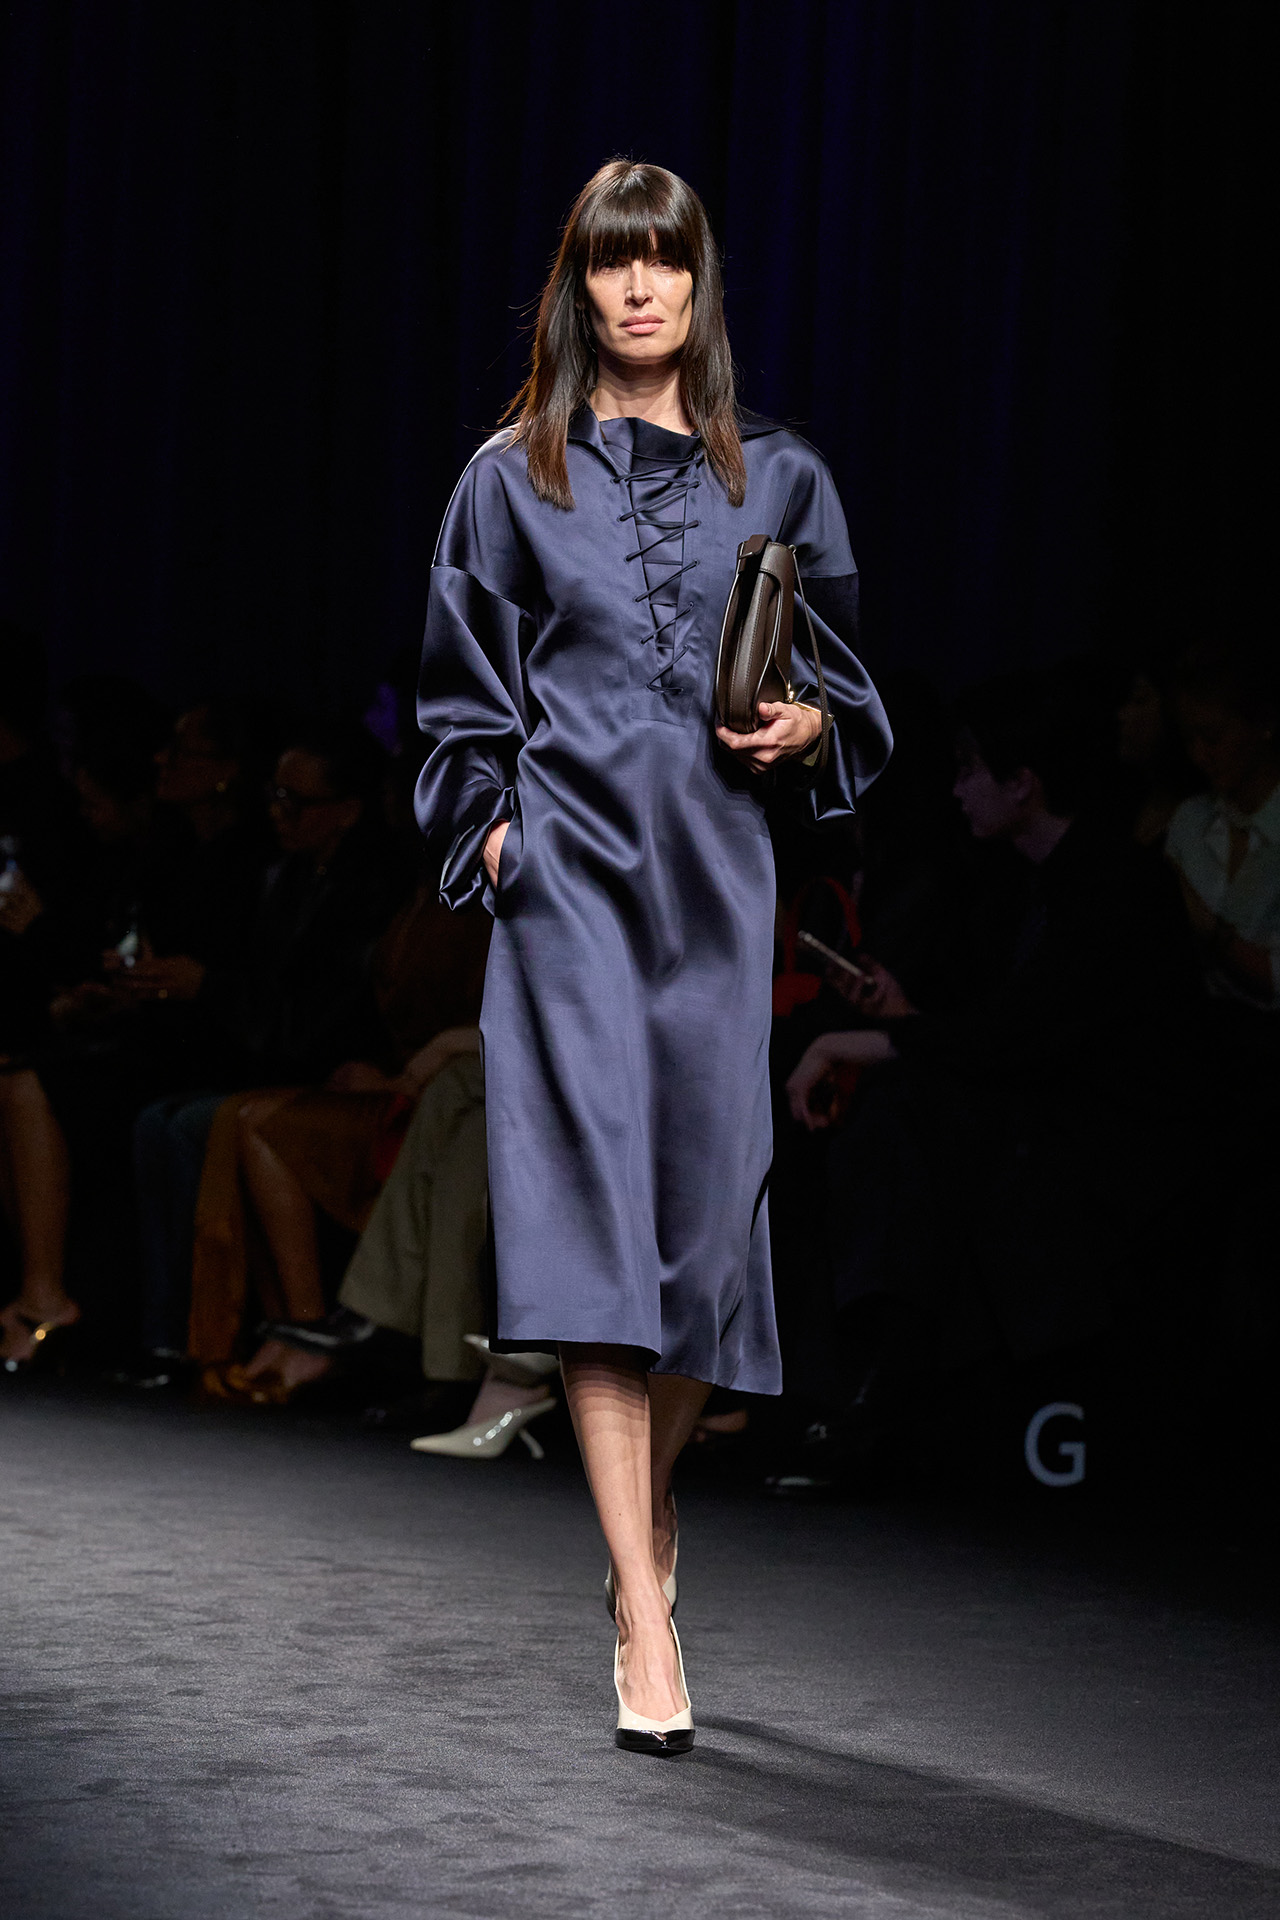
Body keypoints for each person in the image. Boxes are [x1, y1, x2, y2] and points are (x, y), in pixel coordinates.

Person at [416, 159, 890, 1753]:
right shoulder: (510, 479)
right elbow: (459, 709)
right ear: (579, 286)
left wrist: (810, 728)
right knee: (594, 1253)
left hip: (718, 896)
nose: (638, 289)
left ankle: (651, 1512)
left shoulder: (784, 479)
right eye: (613, 263)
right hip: (569, 902)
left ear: (699, 282)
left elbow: (852, 698)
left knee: (704, 1244)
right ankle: (640, 1604)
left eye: (664, 261)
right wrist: (499, 844)